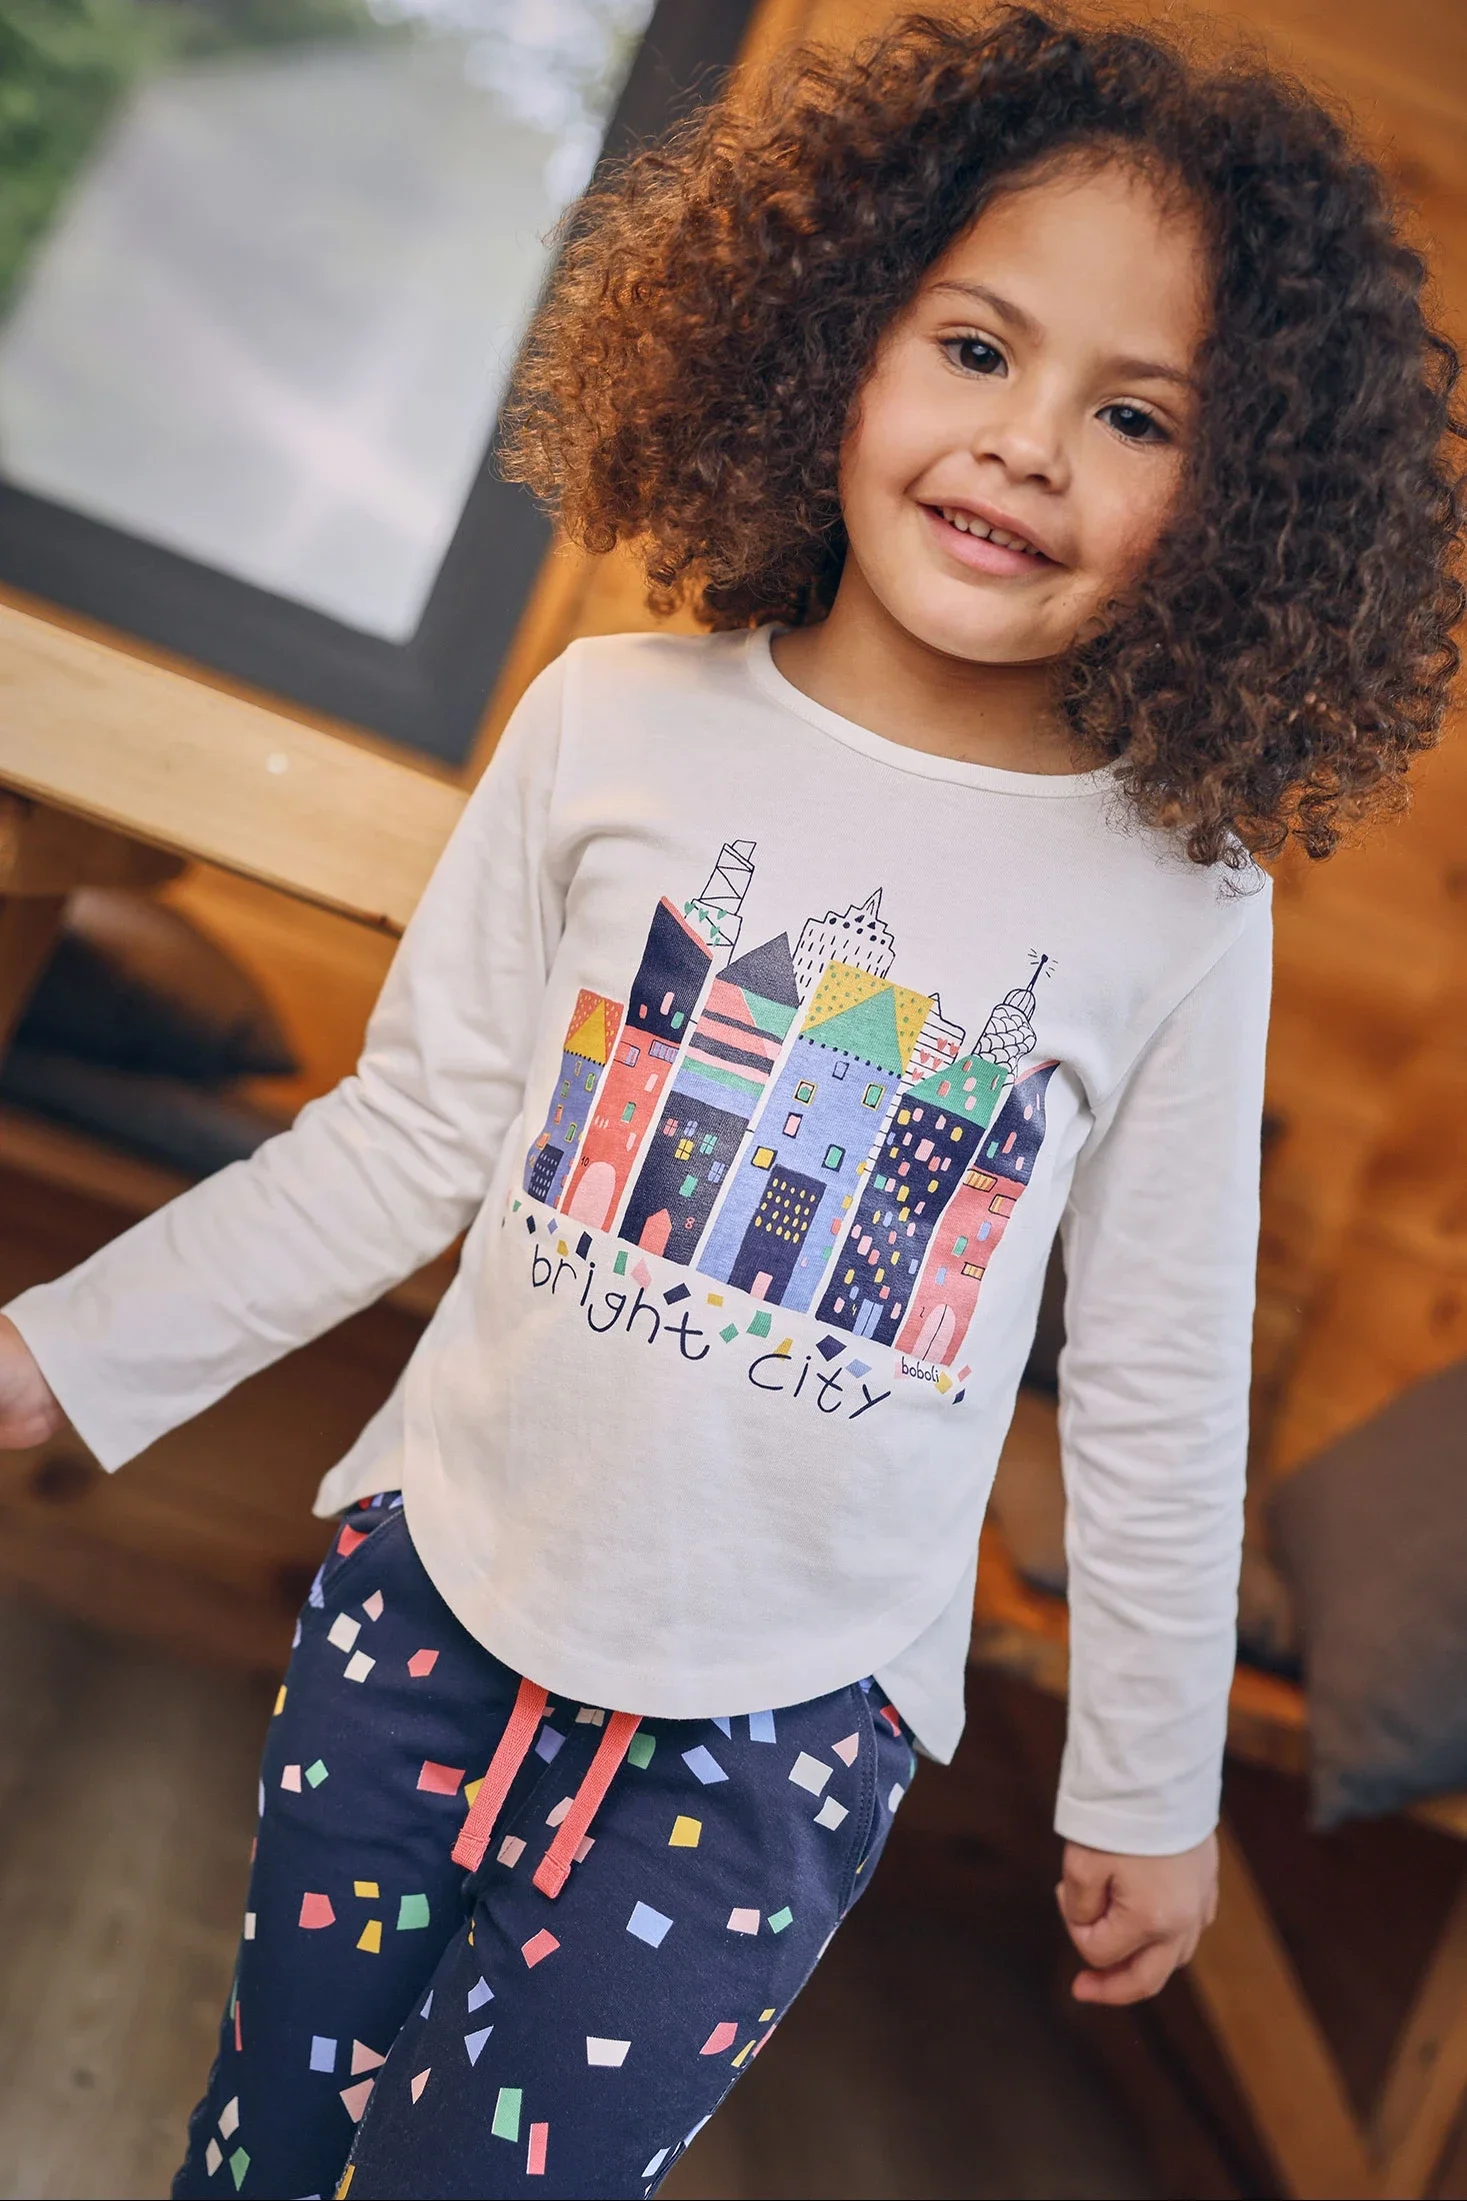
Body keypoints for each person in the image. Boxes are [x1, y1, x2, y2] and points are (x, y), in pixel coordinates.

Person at [0, 9, 1460, 2197]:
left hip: (783, 1726)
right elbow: (406, 1134)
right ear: (832, 335)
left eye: (1134, 412)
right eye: (974, 347)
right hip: (432, 1594)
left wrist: (1149, 1780)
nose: (1026, 444)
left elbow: (1156, 1382)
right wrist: (66, 1346)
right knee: (263, 2143)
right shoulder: (610, 724)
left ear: (1234, 511)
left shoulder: (1182, 902)